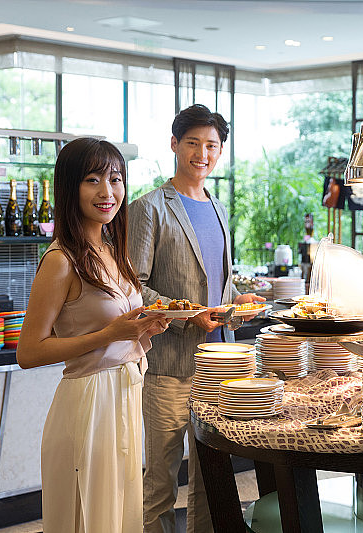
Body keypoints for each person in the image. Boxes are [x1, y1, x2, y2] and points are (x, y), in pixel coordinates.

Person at [16, 137, 170, 532]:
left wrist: (142, 326)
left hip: (125, 394)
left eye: (116, 179)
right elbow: (29, 351)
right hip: (89, 404)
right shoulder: (60, 260)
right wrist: (110, 333)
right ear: (71, 187)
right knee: (89, 520)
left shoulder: (111, 250)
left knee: (120, 517)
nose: (108, 192)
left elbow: (115, 326)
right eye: (93, 179)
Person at [128, 104, 265, 533]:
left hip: (220, 369)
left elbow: (217, 285)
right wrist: (191, 316)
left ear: (220, 152)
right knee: (161, 484)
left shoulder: (219, 208)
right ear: (174, 145)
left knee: (212, 479)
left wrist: (236, 301)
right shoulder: (149, 207)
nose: (202, 153)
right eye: (193, 143)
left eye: (212, 145)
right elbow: (135, 287)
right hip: (169, 367)